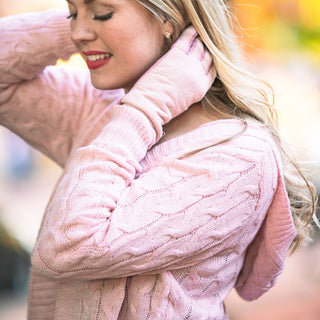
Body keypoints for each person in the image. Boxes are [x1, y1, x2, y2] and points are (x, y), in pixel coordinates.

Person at [0, 0, 317, 319]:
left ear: (169, 17)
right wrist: (84, 22)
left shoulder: (238, 155)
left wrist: (146, 109)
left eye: (102, 12)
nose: (78, 32)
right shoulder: (102, 110)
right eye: (71, 13)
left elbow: (66, 247)